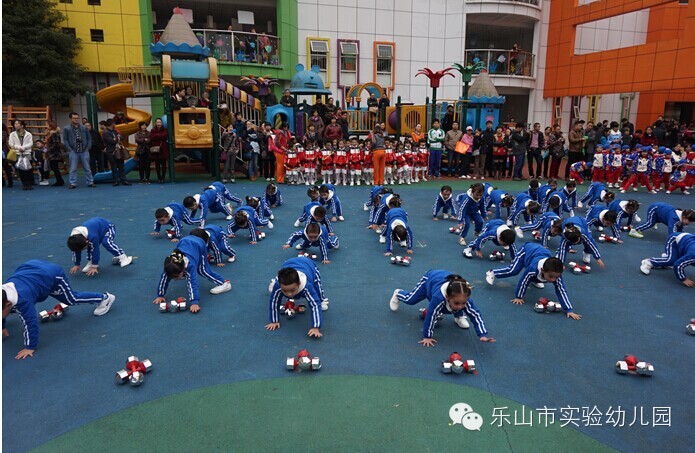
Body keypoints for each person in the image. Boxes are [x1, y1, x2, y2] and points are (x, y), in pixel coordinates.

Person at [2, 260, 116, 359]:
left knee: (71, 299)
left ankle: (104, 298)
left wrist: (30, 347)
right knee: (12, 310)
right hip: (32, 269)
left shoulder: (23, 302)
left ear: (8, 304)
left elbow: (30, 323)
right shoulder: (4, 294)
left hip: (52, 275)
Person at [389, 272, 494, 347]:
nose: (460, 306)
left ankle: (459, 317)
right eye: (457, 303)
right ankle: (398, 293)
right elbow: (431, 315)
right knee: (411, 300)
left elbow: (476, 315)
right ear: (447, 297)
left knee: (462, 307)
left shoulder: (464, 298)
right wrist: (427, 336)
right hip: (430, 280)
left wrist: (482, 334)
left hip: (451, 284)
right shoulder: (438, 298)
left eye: (464, 302)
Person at [486, 242, 582, 319]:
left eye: (556, 277)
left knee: (541, 278)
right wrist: (519, 297)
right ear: (543, 270)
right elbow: (523, 282)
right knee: (513, 270)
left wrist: (569, 310)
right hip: (526, 251)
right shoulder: (532, 269)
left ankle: (536, 280)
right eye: (551, 276)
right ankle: (493, 272)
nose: (553, 280)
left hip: (540, 254)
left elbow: (561, 290)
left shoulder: (556, 274)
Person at [153, 235, 232, 314]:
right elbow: (163, 280)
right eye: (172, 277)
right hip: (184, 241)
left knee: (203, 271)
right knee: (167, 276)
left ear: (183, 269)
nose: (174, 279)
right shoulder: (169, 267)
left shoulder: (190, 266)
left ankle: (224, 283)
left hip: (199, 245)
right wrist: (160, 295)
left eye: (176, 277)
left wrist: (194, 302)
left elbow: (193, 283)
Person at [266, 257, 329, 337]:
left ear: (299, 284)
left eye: (292, 290)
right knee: (275, 292)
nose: (289, 294)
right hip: (288, 264)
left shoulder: (307, 286)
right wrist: (274, 321)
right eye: (285, 291)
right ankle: (274, 282)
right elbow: (274, 302)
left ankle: (322, 299)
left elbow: (315, 305)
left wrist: (315, 327)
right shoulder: (278, 286)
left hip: (308, 265)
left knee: (317, 288)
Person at [67, 217, 133, 276]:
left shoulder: (92, 236)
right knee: (89, 246)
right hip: (96, 230)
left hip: (108, 227)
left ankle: (123, 256)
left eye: (84, 248)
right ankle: (90, 263)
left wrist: (94, 266)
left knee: (106, 242)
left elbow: (95, 250)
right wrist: (77, 264)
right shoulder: (74, 240)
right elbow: (75, 251)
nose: (85, 249)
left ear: (86, 241)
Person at [629, 204, 694, 238]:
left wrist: (682, 237)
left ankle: (655, 221)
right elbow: (671, 232)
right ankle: (634, 231)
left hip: (662, 213)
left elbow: (680, 229)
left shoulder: (681, 218)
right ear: (684, 217)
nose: (690, 223)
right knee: (650, 223)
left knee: (658, 220)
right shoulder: (674, 218)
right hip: (655, 208)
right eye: (689, 221)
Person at [101, 119, 129, 186]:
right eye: (114, 123)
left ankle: (123, 180)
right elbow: (111, 141)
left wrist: (117, 138)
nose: (115, 124)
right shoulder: (105, 132)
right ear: (111, 124)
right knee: (114, 166)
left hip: (118, 150)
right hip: (111, 151)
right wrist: (117, 138)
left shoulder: (115, 131)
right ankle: (116, 180)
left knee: (121, 166)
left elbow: (121, 137)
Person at [9, 120, 35, 190]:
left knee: (28, 169)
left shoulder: (28, 134)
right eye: (15, 124)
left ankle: (29, 183)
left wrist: (24, 147)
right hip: (17, 153)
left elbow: (31, 143)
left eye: (17, 124)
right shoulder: (12, 134)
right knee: (20, 169)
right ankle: (24, 184)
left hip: (27, 152)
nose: (15, 125)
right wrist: (19, 147)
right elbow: (11, 144)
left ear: (22, 126)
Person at [45, 120, 64, 186]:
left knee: (55, 167)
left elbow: (56, 143)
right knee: (54, 167)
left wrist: (49, 149)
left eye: (47, 125)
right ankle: (60, 180)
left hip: (54, 153)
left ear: (51, 126)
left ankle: (59, 181)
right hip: (53, 153)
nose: (46, 126)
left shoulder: (54, 134)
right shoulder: (51, 133)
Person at [149, 118, 169, 184]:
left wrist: (157, 135)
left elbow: (165, 135)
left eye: (160, 122)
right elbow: (152, 137)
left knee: (164, 165)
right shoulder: (152, 130)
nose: (159, 123)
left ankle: (163, 177)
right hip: (156, 150)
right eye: (157, 122)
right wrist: (160, 136)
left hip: (163, 149)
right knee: (157, 165)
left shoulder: (165, 130)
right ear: (155, 123)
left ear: (162, 123)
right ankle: (159, 178)